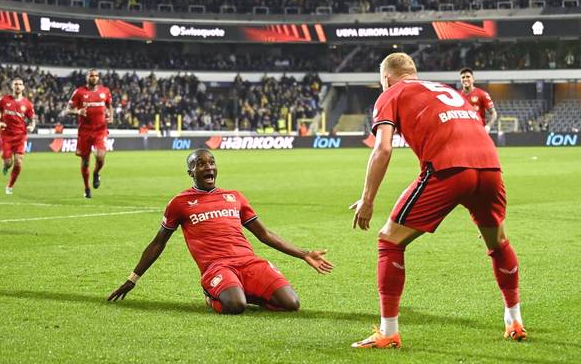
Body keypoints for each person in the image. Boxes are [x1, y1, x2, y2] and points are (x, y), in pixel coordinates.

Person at [350, 53, 525, 349]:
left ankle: (388, 332)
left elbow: (382, 149)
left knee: (389, 240)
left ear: (387, 78)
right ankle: (515, 320)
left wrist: (367, 199)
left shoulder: (392, 92)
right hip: (491, 167)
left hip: (449, 168)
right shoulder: (448, 90)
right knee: (498, 243)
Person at [108, 149, 333, 314]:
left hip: (248, 263)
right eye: (200, 164)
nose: (208, 167)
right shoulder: (180, 203)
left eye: (211, 162)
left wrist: (303, 254)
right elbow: (158, 242)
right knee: (235, 306)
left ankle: (239, 288)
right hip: (217, 266)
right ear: (190, 172)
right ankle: (213, 295)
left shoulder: (234, 197)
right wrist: (133, 278)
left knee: (291, 304)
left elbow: (264, 234)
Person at [66, 69, 113, 198]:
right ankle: (87, 188)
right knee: (85, 161)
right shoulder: (79, 92)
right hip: (85, 131)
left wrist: (111, 116)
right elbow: (67, 110)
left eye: (96, 76)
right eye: (91, 75)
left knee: (100, 156)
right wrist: (77, 112)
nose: (94, 78)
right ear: (87, 77)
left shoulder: (105, 91)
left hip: (100, 130)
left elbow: (109, 105)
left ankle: (96, 173)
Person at [0, 78, 36, 194]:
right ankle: (6, 166)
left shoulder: (27, 104)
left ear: (23, 87)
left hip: (20, 136)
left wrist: (31, 126)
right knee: (8, 163)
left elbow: (32, 120)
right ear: (12, 86)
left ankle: (9, 186)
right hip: (6, 136)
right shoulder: (3, 100)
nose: (18, 86)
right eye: (15, 84)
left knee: (18, 162)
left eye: (20, 84)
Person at [459, 68, 497, 133]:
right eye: (463, 77)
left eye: (468, 77)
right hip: (462, 131)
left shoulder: (482, 94)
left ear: (473, 79)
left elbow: (493, 113)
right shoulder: (456, 95)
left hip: (478, 131)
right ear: (461, 80)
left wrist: (488, 126)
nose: (465, 79)